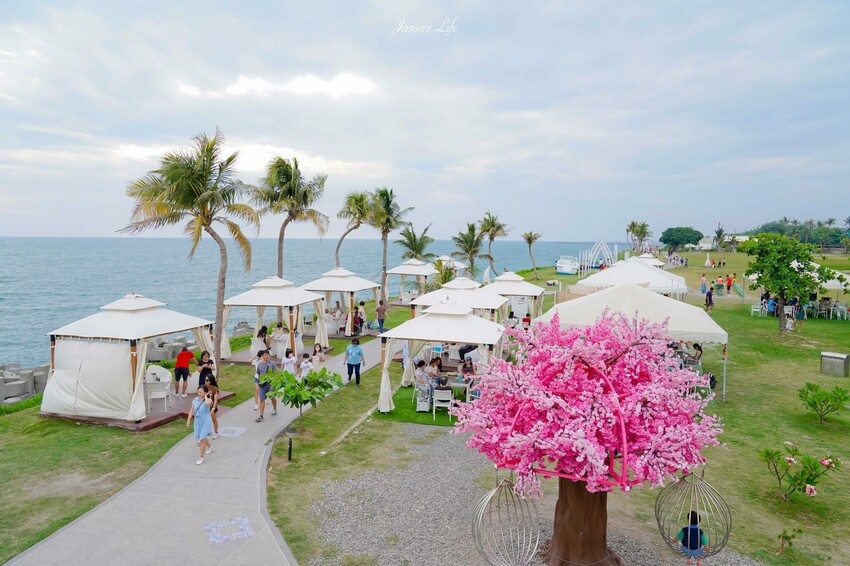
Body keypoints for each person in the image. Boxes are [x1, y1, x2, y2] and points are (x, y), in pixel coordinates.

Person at [187, 385, 214, 465]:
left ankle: (201, 457)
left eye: (201, 392)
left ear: (205, 392)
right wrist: (188, 420)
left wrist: (206, 396)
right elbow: (191, 410)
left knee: (202, 438)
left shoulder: (208, 400)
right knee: (203, 436)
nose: (199, 394)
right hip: (198, 421)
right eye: (198, 392)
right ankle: (209, 446)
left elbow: (208, 403)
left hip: (205, 420)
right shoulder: (195, 400)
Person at [255, 350, 278, 422]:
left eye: (267, 355)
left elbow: (276, 375)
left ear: (269, 355)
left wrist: (273, 385)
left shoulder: (272, 364)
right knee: (262, 399)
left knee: (272, 398)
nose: (266, 356)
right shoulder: (260, 364)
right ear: (262, 356)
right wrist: (259, 382)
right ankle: (261, 416)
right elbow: (258, 374)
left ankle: (274, 408)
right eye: (264, 355)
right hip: (262, 385)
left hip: (270, 385)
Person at [204, 374, 220, 439]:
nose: (205, 381)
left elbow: (215, 400)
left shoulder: (214, 388)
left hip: (212, 407)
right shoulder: (204, 387)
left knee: (214, 420)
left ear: (211, 381)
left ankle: (216, 432)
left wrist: (213, 408)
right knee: (205, 420)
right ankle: (206, 433)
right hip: (206, 407)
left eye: (207, 380)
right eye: (205, 380)